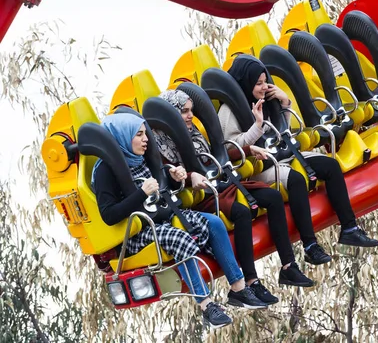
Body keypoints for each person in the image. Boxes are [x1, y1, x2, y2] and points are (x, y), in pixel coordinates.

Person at [92, 113, 267, 329]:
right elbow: (109, 215)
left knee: (213, 223)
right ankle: (205, 304)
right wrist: (141, 193)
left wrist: (174, 178)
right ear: (122, 137)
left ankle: (239, 288)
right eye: (139, 135)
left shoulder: (142, 157)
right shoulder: (104, 171)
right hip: (137, 232)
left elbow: (160, 187)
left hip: (165, 216)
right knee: (179, 238)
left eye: (145, 134)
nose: (146, 139)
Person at [153, 90, 315, 302]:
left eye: (191, 111)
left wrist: (248, 149)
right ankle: (251, 281)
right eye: (184, 112)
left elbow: (214, 157)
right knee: (241, 211)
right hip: (200, 197)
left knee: (273, 198)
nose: (190, 116)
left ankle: (288, 266)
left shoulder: (194, 133)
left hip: (221, 184)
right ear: (171, 116)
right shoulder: (160, 146)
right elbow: (167, 176)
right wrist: (190, 176)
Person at [218, 56, 378, 263]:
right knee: (296, 179)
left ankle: (349, 228)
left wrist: (284, 103)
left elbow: (280, 129)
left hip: (281, 153)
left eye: (264, 81)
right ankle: (310, 245)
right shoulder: (228, 110)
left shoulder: (266, 99)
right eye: (258, 83)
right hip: (257, 165)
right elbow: (232, 148)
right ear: (246, 82)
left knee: (330, 165)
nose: (264, 86)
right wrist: (256, 126)